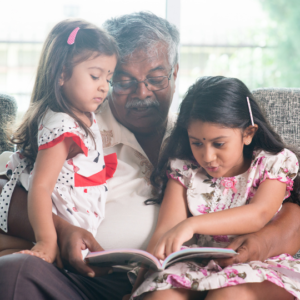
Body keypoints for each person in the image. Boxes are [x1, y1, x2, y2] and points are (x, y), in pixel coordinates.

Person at [0, 12, 300, 300]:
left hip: (191, 276)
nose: (142, 93)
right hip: (90, 278)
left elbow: (277, 197)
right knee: (16, 271)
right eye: (125, 82)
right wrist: (62, 231)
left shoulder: (197, 134)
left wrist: (267, 239)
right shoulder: (76, 126)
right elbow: (12, 192)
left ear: (175, 72)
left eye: (157, 79)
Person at [130, 76, 300, 300]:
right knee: (161, 296)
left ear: (248, 134)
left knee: (229, 294)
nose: (207, 156)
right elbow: (166, 230)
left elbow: (259, 214)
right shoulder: (185, 169)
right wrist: (144, 278)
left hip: (257, 264)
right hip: (196, 266)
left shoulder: (272, 164)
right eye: (197, 143)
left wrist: (192, 225)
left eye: (219, 144)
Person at [0, 19, 118, 262]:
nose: (104, 87)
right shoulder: (63, 126)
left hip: (63, 216)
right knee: (34, 256)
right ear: (62, 74)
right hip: (50, 217)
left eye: (108, 78)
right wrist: (46, 240)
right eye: (95, 76)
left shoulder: (82, 114)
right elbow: (41, 187)